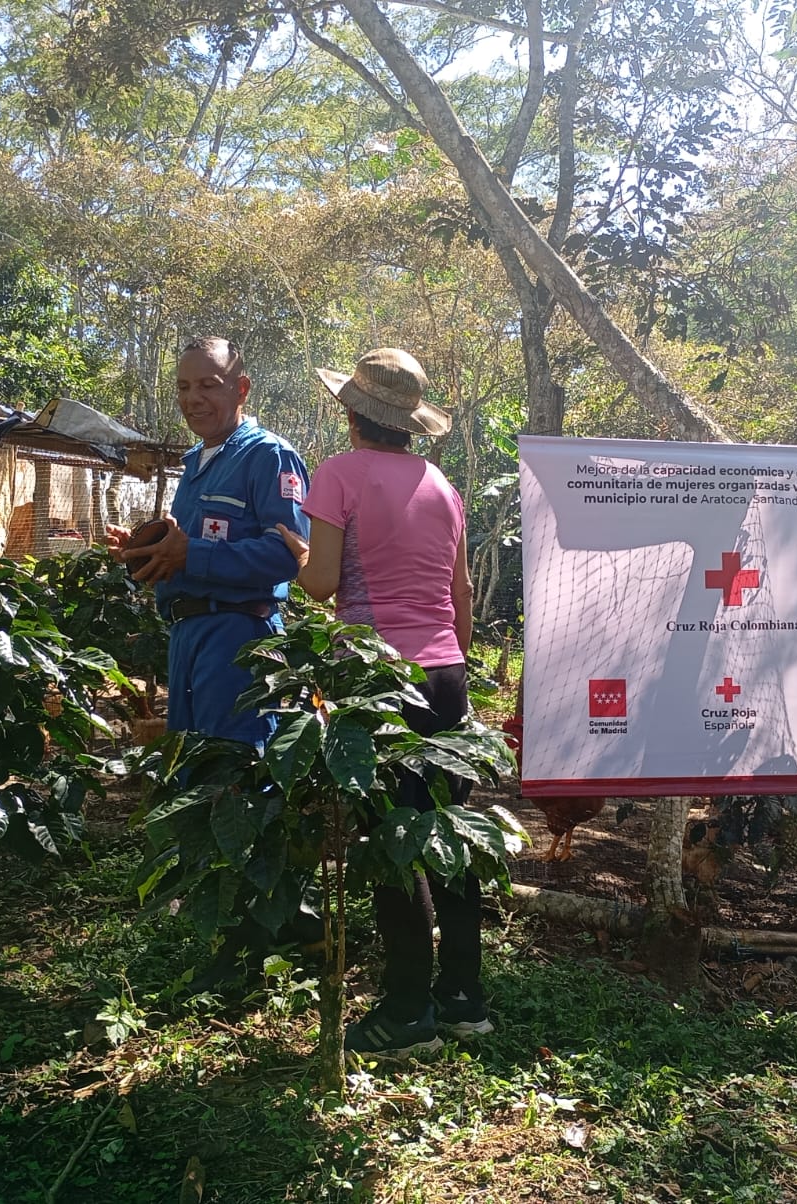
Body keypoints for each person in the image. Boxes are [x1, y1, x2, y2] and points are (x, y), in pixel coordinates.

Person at [277, 347, 487, 1058]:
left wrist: (296, 550)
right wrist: (453, 671)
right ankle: (463, 1000)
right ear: (408, 423)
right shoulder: (443, 485)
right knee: (446, 834)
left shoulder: (338, 476)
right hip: (446, 675)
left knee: (396, 843)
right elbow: (460, 600)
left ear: (350, 413)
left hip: (376, 682)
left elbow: (320, 584)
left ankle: (404, 1014)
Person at [112, 336, 310, 746]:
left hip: (237, 636)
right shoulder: (195, 463)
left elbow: (286, 555)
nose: (192, 399)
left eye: (208, 385)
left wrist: (191, 554)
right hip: (186, 633)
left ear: (241, 389)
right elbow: (182, 546)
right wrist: (143, 549)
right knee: (191, 766)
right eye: (184, 387)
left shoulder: (269, 456)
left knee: (233, 768)